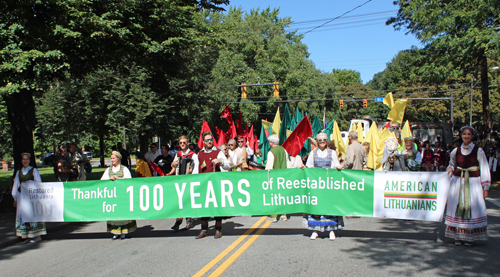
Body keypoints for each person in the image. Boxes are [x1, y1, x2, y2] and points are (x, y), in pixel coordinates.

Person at [445, 126, 490, 246]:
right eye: (464, 134)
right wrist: (450, 168)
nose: (466, 136)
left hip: (472, 182)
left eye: (469, 134)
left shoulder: (479, 151)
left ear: (472, 136)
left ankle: (469, 235)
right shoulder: (456, 151)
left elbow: (485, 168)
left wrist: (485, 187)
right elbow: (452, 163)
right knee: (457, 205)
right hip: (458, 181)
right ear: (461, 135)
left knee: (471, 205)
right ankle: (458, 236)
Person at [303, 133, 343, 240]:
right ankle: (315, 230)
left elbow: (336, 164)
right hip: (316, 184)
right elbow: (309, 166)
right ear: (317, 141)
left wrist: (338, 167)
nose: (322, 142)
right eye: (320, 140)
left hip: (329, 184)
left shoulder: (332, 152)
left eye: (324, 140)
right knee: (316, 206)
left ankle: (331, 230)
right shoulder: (313, 153)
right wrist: (304, 168)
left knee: (329, 206)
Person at [196, 131, 229, 239]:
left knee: (216, 206)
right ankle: (204, 229)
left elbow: (228, 165)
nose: (210, 141)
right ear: (204, 141)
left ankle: (218, 229)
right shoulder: (199, 154)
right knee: (204, 206)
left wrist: (221, 161)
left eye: (211, 139)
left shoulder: (218, 152)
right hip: (204, 185)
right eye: (207, 140)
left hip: (215, 185)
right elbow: (197, 170)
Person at [101, 151, 136, 240]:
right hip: (112, 196)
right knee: (114, 214)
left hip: (122, 196)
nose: (112, 160)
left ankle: (124, 231)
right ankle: (115, 232)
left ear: (118, 159)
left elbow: (129, 181)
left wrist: (119, 179)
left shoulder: (124, 169)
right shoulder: (108, 170)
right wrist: (109, 179)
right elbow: (101, 181)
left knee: (123, 213)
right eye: (111, 158)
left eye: (113, 158)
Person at [12, 153, 46, 243]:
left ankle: (35, 235)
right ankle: (25, 235)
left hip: (31, 196)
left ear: (29, 161)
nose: (25, 161)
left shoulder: (33, 170)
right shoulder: (19, 172)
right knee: (23, 214)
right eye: (23, 159)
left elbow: (38, 182)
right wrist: (15, 198)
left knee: (31, 214)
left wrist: (27, 182)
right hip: (21, 196)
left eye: (27, 159)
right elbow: (16, 185)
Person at [170, 136, 198, 230]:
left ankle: (187, 221)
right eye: (180, 143)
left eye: (184, 142)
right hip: (179, 180)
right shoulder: (178, 154)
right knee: (180, 201)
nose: (182, 144)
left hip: (189, 181)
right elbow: (174, 165)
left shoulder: (193, 155)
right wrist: (172, 164)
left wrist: (191, 172)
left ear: (188, 143)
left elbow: (196, 168)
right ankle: (179, 221)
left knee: (186, 201)